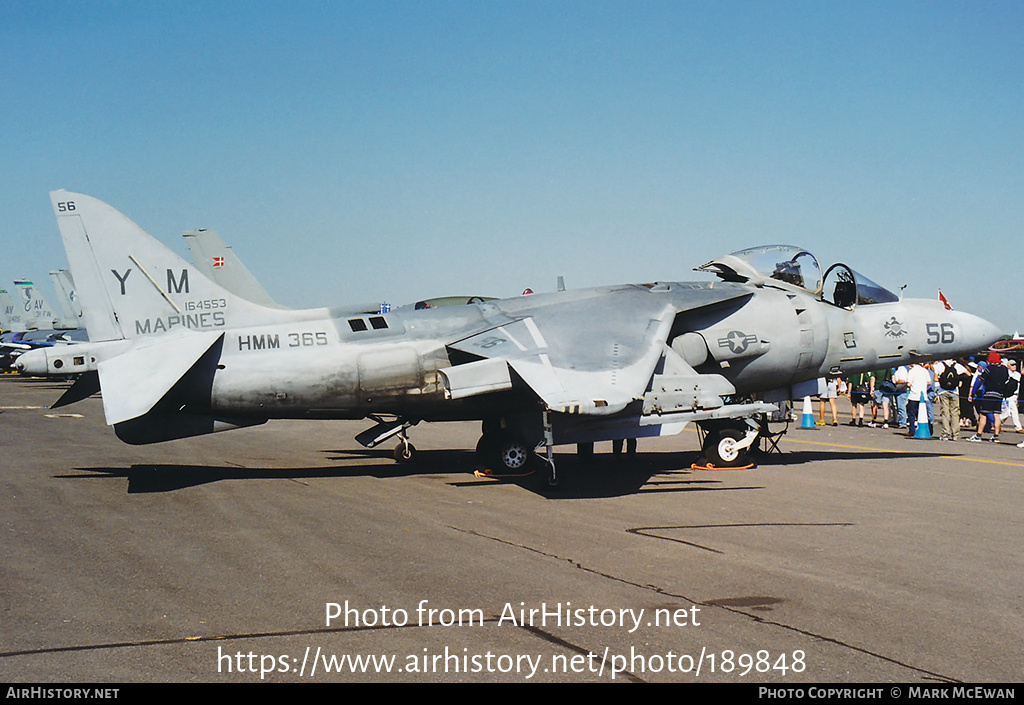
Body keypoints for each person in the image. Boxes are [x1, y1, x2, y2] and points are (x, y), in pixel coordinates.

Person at [968, 353, 1008, 442]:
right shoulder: (1004, 369)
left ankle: (978, 435)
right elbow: (1006, 379)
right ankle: (996, 436)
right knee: (996, 415)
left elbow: (980, 379)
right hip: (999, 394)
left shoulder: (989, 369)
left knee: (983, 414)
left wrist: (973, 392)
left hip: (989, 394)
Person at [933, 358, 968, 440]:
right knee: (955, 413)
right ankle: (955, 434)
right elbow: (968, 374)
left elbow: (935, 379)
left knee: (945, 413)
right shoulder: (957, 365)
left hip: (943, 391)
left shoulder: (939, 365)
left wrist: (942, 380)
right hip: (955, 391)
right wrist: (957, 379)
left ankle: (945, 433)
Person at [905, 363, 933, 437]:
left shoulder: (912, 371)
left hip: (913, 395)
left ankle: (912, 430)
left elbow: (908, 384)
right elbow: (929, 382)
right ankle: (924, 428)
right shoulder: (924, 371)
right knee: (922, 413)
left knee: (911, 414)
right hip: (923, 395)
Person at [999, 359, 1021, 433]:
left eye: (1015, 364)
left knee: (1007, 413)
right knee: (1012, 412)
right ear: (1008, 366)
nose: (1014, 366)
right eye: (1012, 365)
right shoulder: (1007, 374)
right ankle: (1018, 427)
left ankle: (998, 423)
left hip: (1016, 395)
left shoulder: (1018, 374)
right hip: (1009, 396)